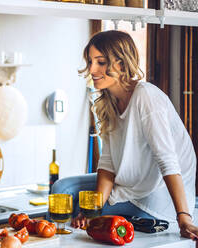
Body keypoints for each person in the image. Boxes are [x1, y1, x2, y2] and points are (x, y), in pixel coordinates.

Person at [54, 30, 197, 240]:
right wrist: (93, 209)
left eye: (100, 62)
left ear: (121, 64)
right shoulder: (106, 102)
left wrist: (184, 218)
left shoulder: (146, 96)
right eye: (90, 61)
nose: (92, 69)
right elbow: (108, 163)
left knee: (75, 207)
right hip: (131, 182)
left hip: (157, 194)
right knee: (62, 189)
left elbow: (167, 161)